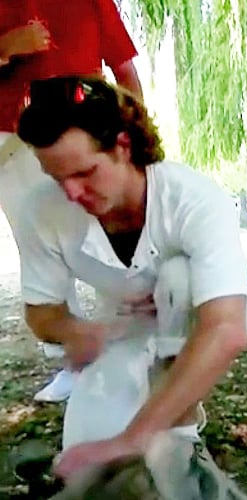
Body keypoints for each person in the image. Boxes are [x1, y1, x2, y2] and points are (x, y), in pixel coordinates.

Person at [14, 76, 247, 494]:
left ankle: (179, 420)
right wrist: (78, 331)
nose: (72, 193)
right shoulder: (42, 209)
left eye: (85, 172)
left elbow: (227, 328)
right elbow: (41, 312)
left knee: (179, 278)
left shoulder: (193, 198)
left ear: (123, 147)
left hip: (196, 312)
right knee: (90, 463)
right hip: (123, 323)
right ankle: (160, 423)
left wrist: (132, 437)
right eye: (57, 178)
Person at [0, 0, 143, 403]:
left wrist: (135, 134)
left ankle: (131, 346)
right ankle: (74, 362)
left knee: (113, 238)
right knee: (37, 241)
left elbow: (125, 68)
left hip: (86, 133)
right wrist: (5, 46)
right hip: (10, 143)